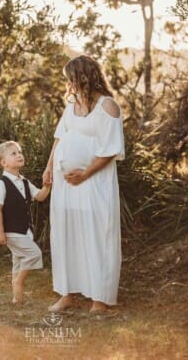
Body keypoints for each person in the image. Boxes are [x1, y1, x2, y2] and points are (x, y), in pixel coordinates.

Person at [43, 55, 125, 313]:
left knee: (97, 234)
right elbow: (60, 137)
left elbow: (111, 149)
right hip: (66, 183)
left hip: (94, 182)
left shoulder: (107, 106)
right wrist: (49, 167)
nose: (68, 83)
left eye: (71, 78)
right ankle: (67, 293)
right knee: (66, 233)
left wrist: (86, 173)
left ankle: (99, 298)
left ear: (84, 77)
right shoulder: (72, 104)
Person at [0, 140, 51, 307]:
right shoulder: (1, 184)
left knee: (18, 262)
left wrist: (47, 186)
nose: (19, 155)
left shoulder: (24, 181)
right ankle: (19, 282)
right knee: (34, 254)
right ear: (4, 163)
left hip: (25, 231)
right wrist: (0, 232)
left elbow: (40, 196)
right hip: (11, 231)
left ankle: (17, 299)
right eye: (13, 153)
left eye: (19, 152)